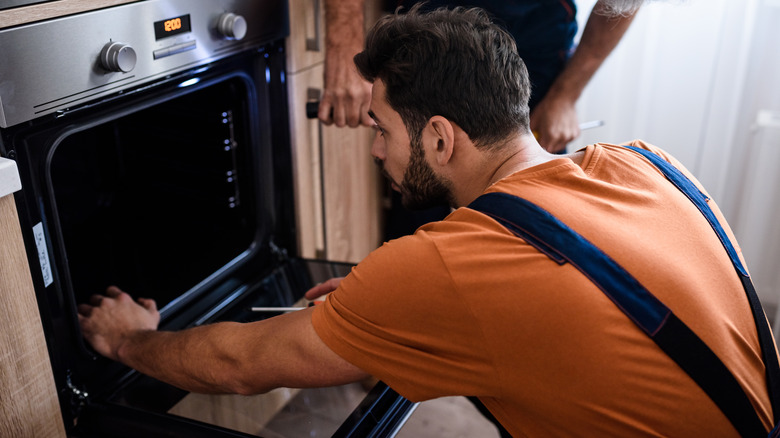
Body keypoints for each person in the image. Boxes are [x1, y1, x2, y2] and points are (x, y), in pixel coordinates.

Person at [79, 6, 775, 436]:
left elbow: (239, 364)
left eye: (380, 129)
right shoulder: (644, 161)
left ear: (441, 138)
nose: (374, 148)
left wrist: (133, 342)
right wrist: (388, 315)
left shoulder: (446, 266)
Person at [319, 0, 639, 153]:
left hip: (534, 36)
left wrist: (565, 96)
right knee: (420, 192)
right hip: (426, 19)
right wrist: (345, 47)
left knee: (525, 202)